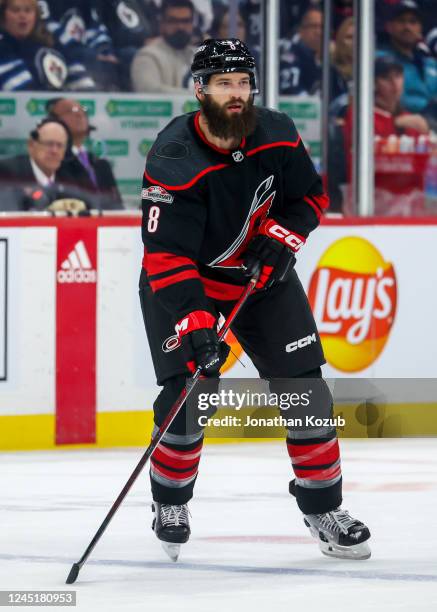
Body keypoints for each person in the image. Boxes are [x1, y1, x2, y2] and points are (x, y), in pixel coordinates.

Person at [139, 38, 371, 562]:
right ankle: (170, 501)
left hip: (260, 279)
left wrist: (281, 241)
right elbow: (165, 254)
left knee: (305, 390)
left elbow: (310, 197)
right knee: (191, 393)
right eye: (224, 83)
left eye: (243, 82)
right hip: (185, 283)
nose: (237, 93)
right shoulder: (175, 156)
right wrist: (198, 325)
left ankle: (323, 507)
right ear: (200, 90)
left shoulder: (277, 132)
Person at [46, 97, 124, 210]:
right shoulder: (55, 162)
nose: (79, 115)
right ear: (54, 121)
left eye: (82, 111)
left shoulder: (101, 165)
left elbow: (117, 205)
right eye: (71, 111)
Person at [0, 0, 94, 91]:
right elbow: (22, 91)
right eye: (15, 10)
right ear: (3, 16)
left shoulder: (51, 42)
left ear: (36, 16)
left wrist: (89, 98)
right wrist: (57, 102)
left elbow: (80, 80)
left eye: (28, 11)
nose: (23, 16)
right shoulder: (3, 47)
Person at [0, 117, 88, 212]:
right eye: (49, 144)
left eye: (60, 145)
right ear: (31, 145)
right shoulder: (7, 172)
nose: (54, 151)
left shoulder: (71, 177)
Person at [37, 0, 121, 91]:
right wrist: (89, 55)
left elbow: (94, 27)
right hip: (57, 53)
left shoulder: (86, 3)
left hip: (86, 52)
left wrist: (104, 51)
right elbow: (48, 27)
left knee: (126, 58)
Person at [377, 0, 437, 117]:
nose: (407, 27)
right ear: (389, 26)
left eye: (413, 22)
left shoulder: (431, 64)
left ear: (420, 29)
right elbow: (390, 98)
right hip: (400, 123)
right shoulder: (380, 59)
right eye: (401, 21)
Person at [131, 0, 195, 93]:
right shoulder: (147, 56)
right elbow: (150, 92)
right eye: (173, 21)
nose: (180, 27)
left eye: (185, 21)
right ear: (162, 23)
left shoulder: (199, 57)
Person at [279, 8, 323, 96]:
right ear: (301, 30)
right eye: (313, 26)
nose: (318, 32)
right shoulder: (291, 52)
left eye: (322, 27)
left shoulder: (331, 56)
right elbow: (290, 89)